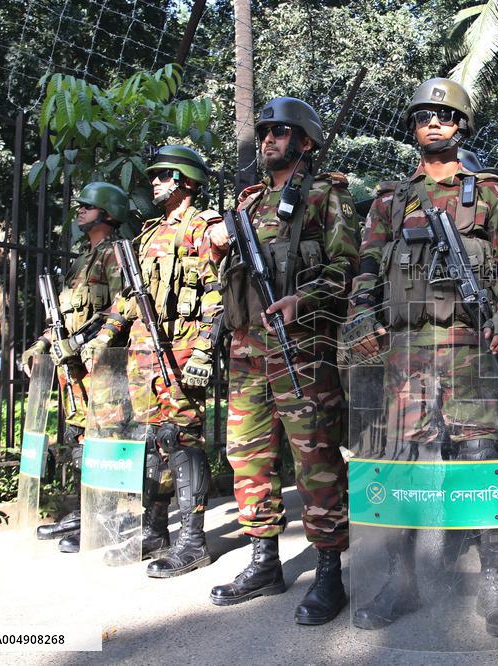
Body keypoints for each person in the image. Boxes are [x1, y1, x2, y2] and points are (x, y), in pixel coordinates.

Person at [344, 78, 498, 638]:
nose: (433, 123)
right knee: (405, 465)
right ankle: (400, 582)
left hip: (470, 350)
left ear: (460, 126)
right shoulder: (391, 199)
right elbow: (368, 268)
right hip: (405, 352)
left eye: (444, 116)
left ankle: (493, 583)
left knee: (480, 462)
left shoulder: (490, 193)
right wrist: (360, 316)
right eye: (424, 115)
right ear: (414, 127)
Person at [206, 97, 356, 625]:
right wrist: (215, 241)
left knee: (314, 460)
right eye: (265, 130)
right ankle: (264, 561)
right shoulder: (245, 204)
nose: (268, 139)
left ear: (306, 142)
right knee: (247, 456)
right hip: (248, 349)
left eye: (281, 131)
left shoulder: (323, 197)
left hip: (302, 349)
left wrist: (304, 299)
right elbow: (220, 272)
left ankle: (330, 570)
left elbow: (347, 268)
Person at [87, 145, 223, 575]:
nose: (155, 182)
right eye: (156, 175)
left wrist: (204, 350)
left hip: (179, 349)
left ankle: (193, 540)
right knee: (150, 441)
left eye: (164, 175)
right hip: (143, 353)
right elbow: (129, 298)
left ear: (185, 181)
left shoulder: (201, 227)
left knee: (181, 439)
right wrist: (105, 336)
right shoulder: (146, 235)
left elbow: (217, 297)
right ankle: (155, 528)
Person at [23, 181, 129, 553]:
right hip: (74, 366)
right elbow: (65, 315)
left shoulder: (115, 255)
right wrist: (43, 343)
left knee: (106, 437)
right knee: (81, 438)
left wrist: (92, 342)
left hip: (103, 364)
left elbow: (124, 306)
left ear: (108, 213)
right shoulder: (81, 261)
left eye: (87, 206)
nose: (79, 211)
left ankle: (108, 515)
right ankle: (87, 510)